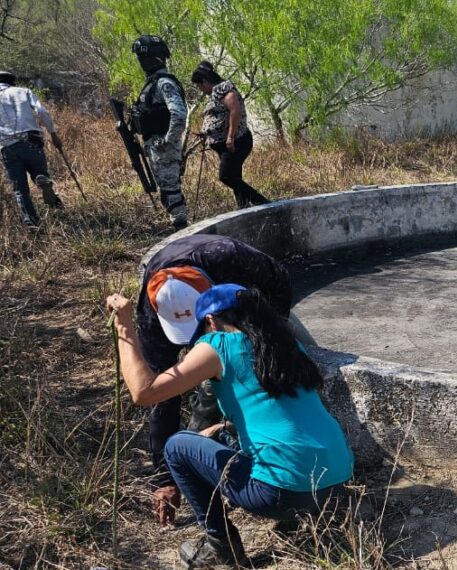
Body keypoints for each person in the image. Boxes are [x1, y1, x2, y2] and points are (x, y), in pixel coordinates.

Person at [106, 284, 353, 568]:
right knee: (220, 436)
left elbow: (144, 392)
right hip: (336, 483)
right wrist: (216, 431)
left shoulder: (217, 345)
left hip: (281, 493)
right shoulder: (286, 345)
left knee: (177, 446)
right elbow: (273, 411)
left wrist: (125, 325)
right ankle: (306, 516)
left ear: (211, 321)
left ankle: (221, 547)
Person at [136, 234, 300, 527]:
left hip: (249, 306)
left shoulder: (231, 258)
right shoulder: (151, 313)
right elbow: (160, 396)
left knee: (242, 380)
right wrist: (165, 477)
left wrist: (268, 341)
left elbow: (280, 283)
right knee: (208, 387)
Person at [191, 61, 270, 208]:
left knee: (226, 176)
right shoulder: (217, 92)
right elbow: (220, 116)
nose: (201, 90)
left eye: (200, 86)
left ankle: (261, 202)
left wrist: (230, 136)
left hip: (235, 142)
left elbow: (235, 109)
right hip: (226, 143)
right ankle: (243, 206)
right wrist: (206, 132)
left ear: (205, 81)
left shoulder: (223, 89)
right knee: (235, 176)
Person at [131, 35, 189, 228]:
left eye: (143, 57)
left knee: (172, 194)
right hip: (155, 146)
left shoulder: (164, 83)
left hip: (163, 147)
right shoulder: (153, 83)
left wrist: (168, 141)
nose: (140, 62)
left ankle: (182, 235)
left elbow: (179, 114)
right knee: (167, 192)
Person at [0, 70, 64, 228]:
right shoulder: (22, 91)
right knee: (38, 170)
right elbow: (42, 111)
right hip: (30, 139)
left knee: (19, 189)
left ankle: (31, 221)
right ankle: (42, 178)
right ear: (11, 81)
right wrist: (53, 134)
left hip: (6, 145)